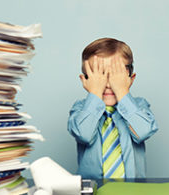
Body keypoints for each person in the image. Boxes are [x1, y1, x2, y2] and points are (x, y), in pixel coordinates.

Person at [67, 38, 158, 179]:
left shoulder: (139, 106)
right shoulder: (80, 109)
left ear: (131, 78)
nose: (108, 84)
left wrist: (121, 90)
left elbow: (143, 132)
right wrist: (95, 92)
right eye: (100, 76)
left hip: (133, 191)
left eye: (115, 77)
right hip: (93, 190)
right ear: (85, 80)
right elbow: (84, 134)